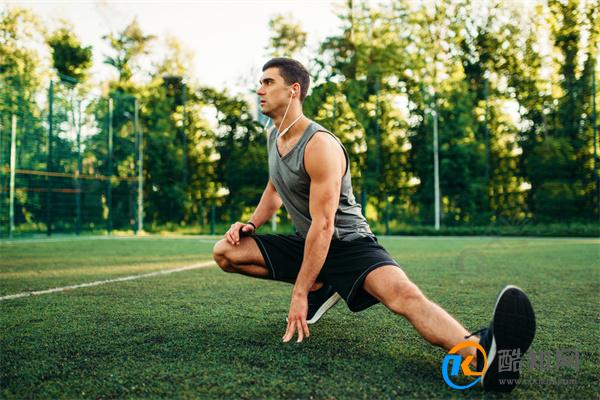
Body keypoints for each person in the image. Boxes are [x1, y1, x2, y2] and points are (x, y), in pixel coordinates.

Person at [212, 57, 536, 392]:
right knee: (225, 252)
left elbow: (325, 226)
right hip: (309, 242)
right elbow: (275, 186)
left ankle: (481, 352)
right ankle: (324, 283)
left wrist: (299, 292)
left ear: (293, 90)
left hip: (349, 243)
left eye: (268, 82)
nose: (259, 89)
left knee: (403, 297)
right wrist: (251, 223)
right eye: (260, 82)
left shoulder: (319, 145)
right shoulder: (273, 136)